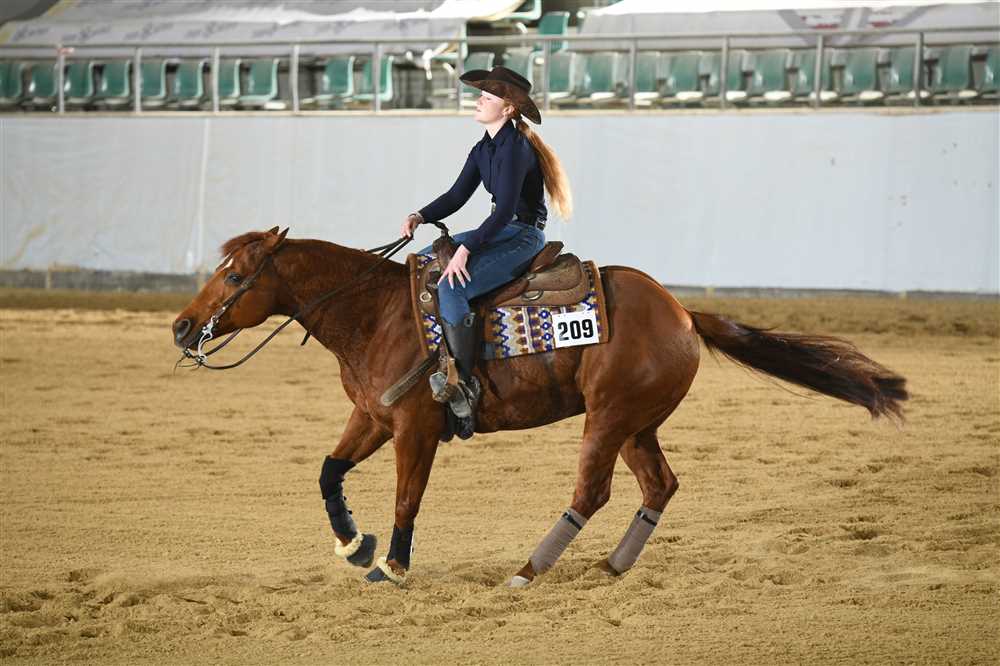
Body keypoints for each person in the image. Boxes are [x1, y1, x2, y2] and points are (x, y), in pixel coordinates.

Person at [401, 65, 573, 437]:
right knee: (426, 260)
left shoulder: (516, 149)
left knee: (452, 286)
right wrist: (421, 215)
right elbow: (456, 195)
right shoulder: (484, 148)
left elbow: (507, 211)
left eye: (487, 96)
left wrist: (466, 249)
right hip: (502, 230)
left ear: (508, 109)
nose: (478, 101)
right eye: (480, 95)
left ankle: (462, 384)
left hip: (523, 236)